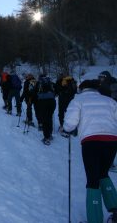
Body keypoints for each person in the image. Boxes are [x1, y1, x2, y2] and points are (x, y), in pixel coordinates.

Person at [63, 79, 117, 223]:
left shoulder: (78, 101)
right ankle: (115, 209)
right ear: (96, 89)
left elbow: (69, 124)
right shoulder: (109, 101)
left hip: (91, 142)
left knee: (93, 180)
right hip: (112, 141)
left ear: (82, 89)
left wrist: (67, 128)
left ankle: (95, 219)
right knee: (103, 173)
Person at [35, 74, 56, 145]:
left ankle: (46, 138)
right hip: (52, 101)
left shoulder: (39, 83)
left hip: (43, 102)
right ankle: (49, 134)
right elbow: (56, 90)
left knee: (44, 119)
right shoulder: (50, 82)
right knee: (49, 117)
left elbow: (34, 92)